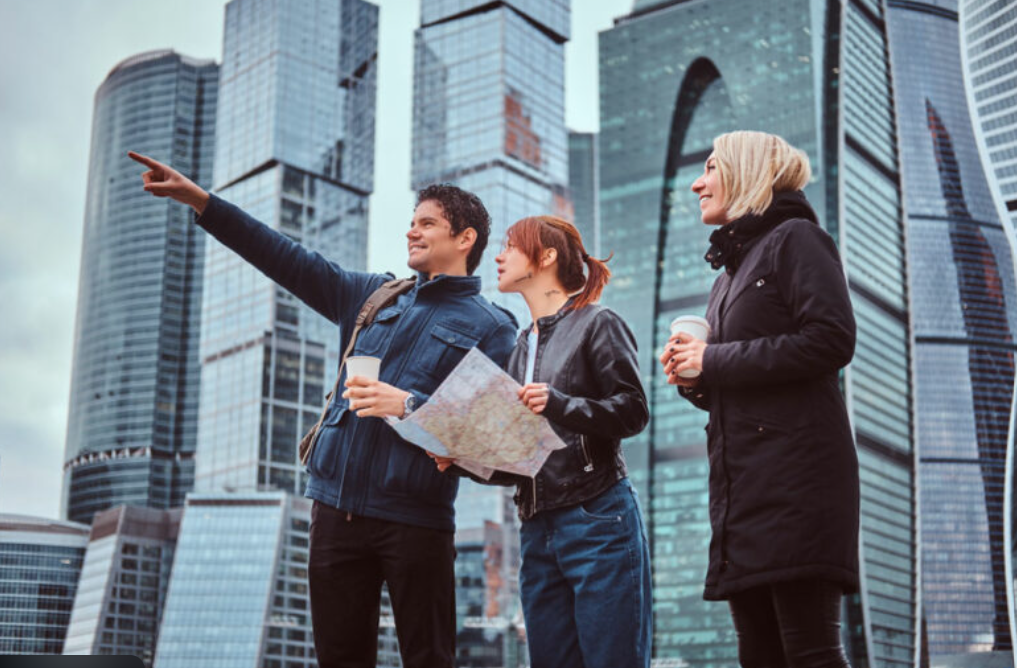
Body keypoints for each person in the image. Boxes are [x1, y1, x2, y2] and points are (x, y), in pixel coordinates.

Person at [128, 151, 517, 668]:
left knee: (430, 659)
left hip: (417, 521)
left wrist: (409, 406)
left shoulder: (492, 327)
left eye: (427, 223)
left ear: (464, 239)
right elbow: (283, 256)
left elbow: (497, 440)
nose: (412, 233)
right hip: (334, 513)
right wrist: (201, 200)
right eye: (410, 223)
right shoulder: (372, 297)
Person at [659, 131, 858, 667]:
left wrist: (713, 361)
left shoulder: (797, 239)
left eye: (711, 168)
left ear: (745, 171)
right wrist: (695, 378)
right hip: (741, 494)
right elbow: (743, 382)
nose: (698, 183)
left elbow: (832, 340)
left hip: (798, 485)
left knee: (811, 653)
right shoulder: (726, 280)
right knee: (760, 658)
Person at [434, 215, 652, 668]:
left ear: (546, 256)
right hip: (536, 529)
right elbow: (520, 457)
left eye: (510, 247)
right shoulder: (519, 346)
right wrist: (457, 459)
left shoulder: (598, 323)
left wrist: (559, 403)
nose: (498, 256)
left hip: (597, 518)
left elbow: (633, 411)